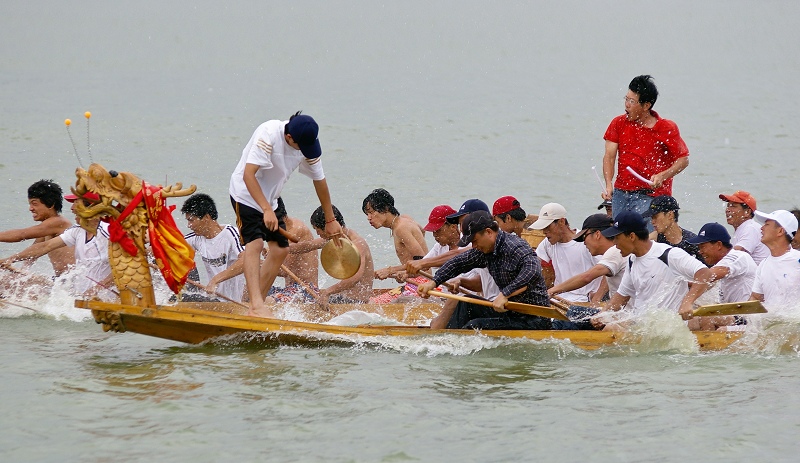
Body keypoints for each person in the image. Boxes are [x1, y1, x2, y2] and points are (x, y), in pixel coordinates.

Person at [228, 112, 343, 318]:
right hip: (245, 194)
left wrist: (330, 220)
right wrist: (265, 210)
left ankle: (256, 306)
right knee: (254, 244)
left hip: (272, 198)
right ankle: (256, 305)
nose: (306, 152)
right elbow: (248, 174)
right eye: (301, 147)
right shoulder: (268, 134)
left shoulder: (306, 144)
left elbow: (320, 181)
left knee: (280, 250)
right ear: (289, 138)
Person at [417, 211, 552, 330]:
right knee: (464, 302)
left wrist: (505, 294)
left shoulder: (515, 246)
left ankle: (455, 341)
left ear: (488, 232)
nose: (474, 246)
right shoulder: (485, 250)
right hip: (507, 312)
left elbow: (533, 271)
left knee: (474, 326)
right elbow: (457, 263)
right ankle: (445, 338)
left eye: (475, 241)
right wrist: (433, 283)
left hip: (534, 318)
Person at [589, 211, 713, 331]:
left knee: (611, 328)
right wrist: (602, 315)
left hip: (669, 327)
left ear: (632, 236)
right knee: (597, 323)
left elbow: (705, 273)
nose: (615, 244)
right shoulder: (632, 261)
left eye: (617, 238)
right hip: (643, 325)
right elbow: (619, 299)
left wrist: (687, 302)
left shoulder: (668, 254)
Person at [602, 75, 690, 221]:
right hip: (621, 194)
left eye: (632, 101)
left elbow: (683, 160)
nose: (627, 105)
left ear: (646, 105)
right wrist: (608, 185)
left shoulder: (666, 128)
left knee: (645, 241)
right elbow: (609, 156)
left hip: (650, 196)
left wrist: (663, 176)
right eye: (626, 99)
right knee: (621, 239)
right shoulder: (618, 123)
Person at [0, 192, 113, 298]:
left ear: (91, 208)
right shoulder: (77, 231)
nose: (72, 208)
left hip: (104, 297)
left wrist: (96, 290)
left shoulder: (109, 232)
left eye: (76, 203)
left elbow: (127, 267)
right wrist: (10, 259)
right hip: (76, 293)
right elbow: (44, 247)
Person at [685, 222, 756, 331]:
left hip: (750, 318)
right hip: (735, 315)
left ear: (718, 245)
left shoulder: (737, 256)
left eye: (703, 246)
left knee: (706, 318)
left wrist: (686, 298)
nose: (700, 252)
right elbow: (702, 285)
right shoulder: (722, 263)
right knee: (688, 321)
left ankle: (709, 347)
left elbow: (707, 277)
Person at [0, 180, 74, 276]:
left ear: (51, 204)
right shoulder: (47, 229)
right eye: (30, 204)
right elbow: (33, 253)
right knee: (11, 281)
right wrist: (18, 270)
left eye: (34, 204)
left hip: (73, 281)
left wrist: (10, 259)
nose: (30, 208)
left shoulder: (58, 222)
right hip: (59, 280)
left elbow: (21, 234)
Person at [548, 214, 626, 304]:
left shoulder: (614, 252)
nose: (584, 243)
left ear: (597, 234)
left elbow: (586, 277)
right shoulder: (617, 250)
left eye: (584, 237)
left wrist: (550, 292)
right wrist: (596, 297)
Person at [529, 203, 600, 302]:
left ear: (561, 221)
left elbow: (606, 271)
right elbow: (534, 265)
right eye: (543, 228)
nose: (544, 232)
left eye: (547, 227)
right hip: (557, 298)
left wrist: (597, 297)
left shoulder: (586, 242)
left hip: (582, 300)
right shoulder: (547, 243)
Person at [181, 193, 245, 302]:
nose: (189, 225)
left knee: (181, 300)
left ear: (206, 217)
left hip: (231, 302)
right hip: (212, 298)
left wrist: (215, 280)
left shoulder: (231, 233)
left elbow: (246, 260)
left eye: (191, 220)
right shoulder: (196, 238)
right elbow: (169, 246)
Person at [309, 205, 374, 308]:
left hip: (357, 302)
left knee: (310, 306)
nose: (317, 233)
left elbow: (355, 277)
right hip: (344, 299)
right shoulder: (335, 239)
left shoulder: (357, 243)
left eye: (317, 229)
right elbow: (307, 246)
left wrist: (327, 292)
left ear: (327, 226)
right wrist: (282, 249)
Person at [362, 188, 428, 280]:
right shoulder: (404, 219)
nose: (368, 218)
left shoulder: (401, 229)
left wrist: (389, 271)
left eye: (371, 212)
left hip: (421, 284)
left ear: (386, 208)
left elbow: (422, 262)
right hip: (418, 281)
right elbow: (422, 231)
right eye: (367, 214)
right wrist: (405, 273)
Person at [750, 210, 800, 315]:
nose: (761, 228)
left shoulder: (797, 260)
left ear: (780, 231)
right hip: (773, 325)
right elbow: (756, 298)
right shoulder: (763, 265)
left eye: (767, 224)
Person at [266, 215, 325, 303]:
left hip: (306, 290)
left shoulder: (296, 230)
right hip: (289, 289)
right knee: (249, 290)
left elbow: (283, 271)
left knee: (268, 301)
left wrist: (259, 264)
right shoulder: (283, 231)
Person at [643, 195, 705, 264]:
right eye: (652, 218)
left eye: (655, 217)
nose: (652, 222)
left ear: (670, 215)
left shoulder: (692, 244)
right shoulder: (653, 239)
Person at [719, 190, 769, 265]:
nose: (728, 210)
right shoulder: (744, 228)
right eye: (728, 206)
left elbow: (735, 256)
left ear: (747, 212)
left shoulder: (750, 228)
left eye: (733, 206)